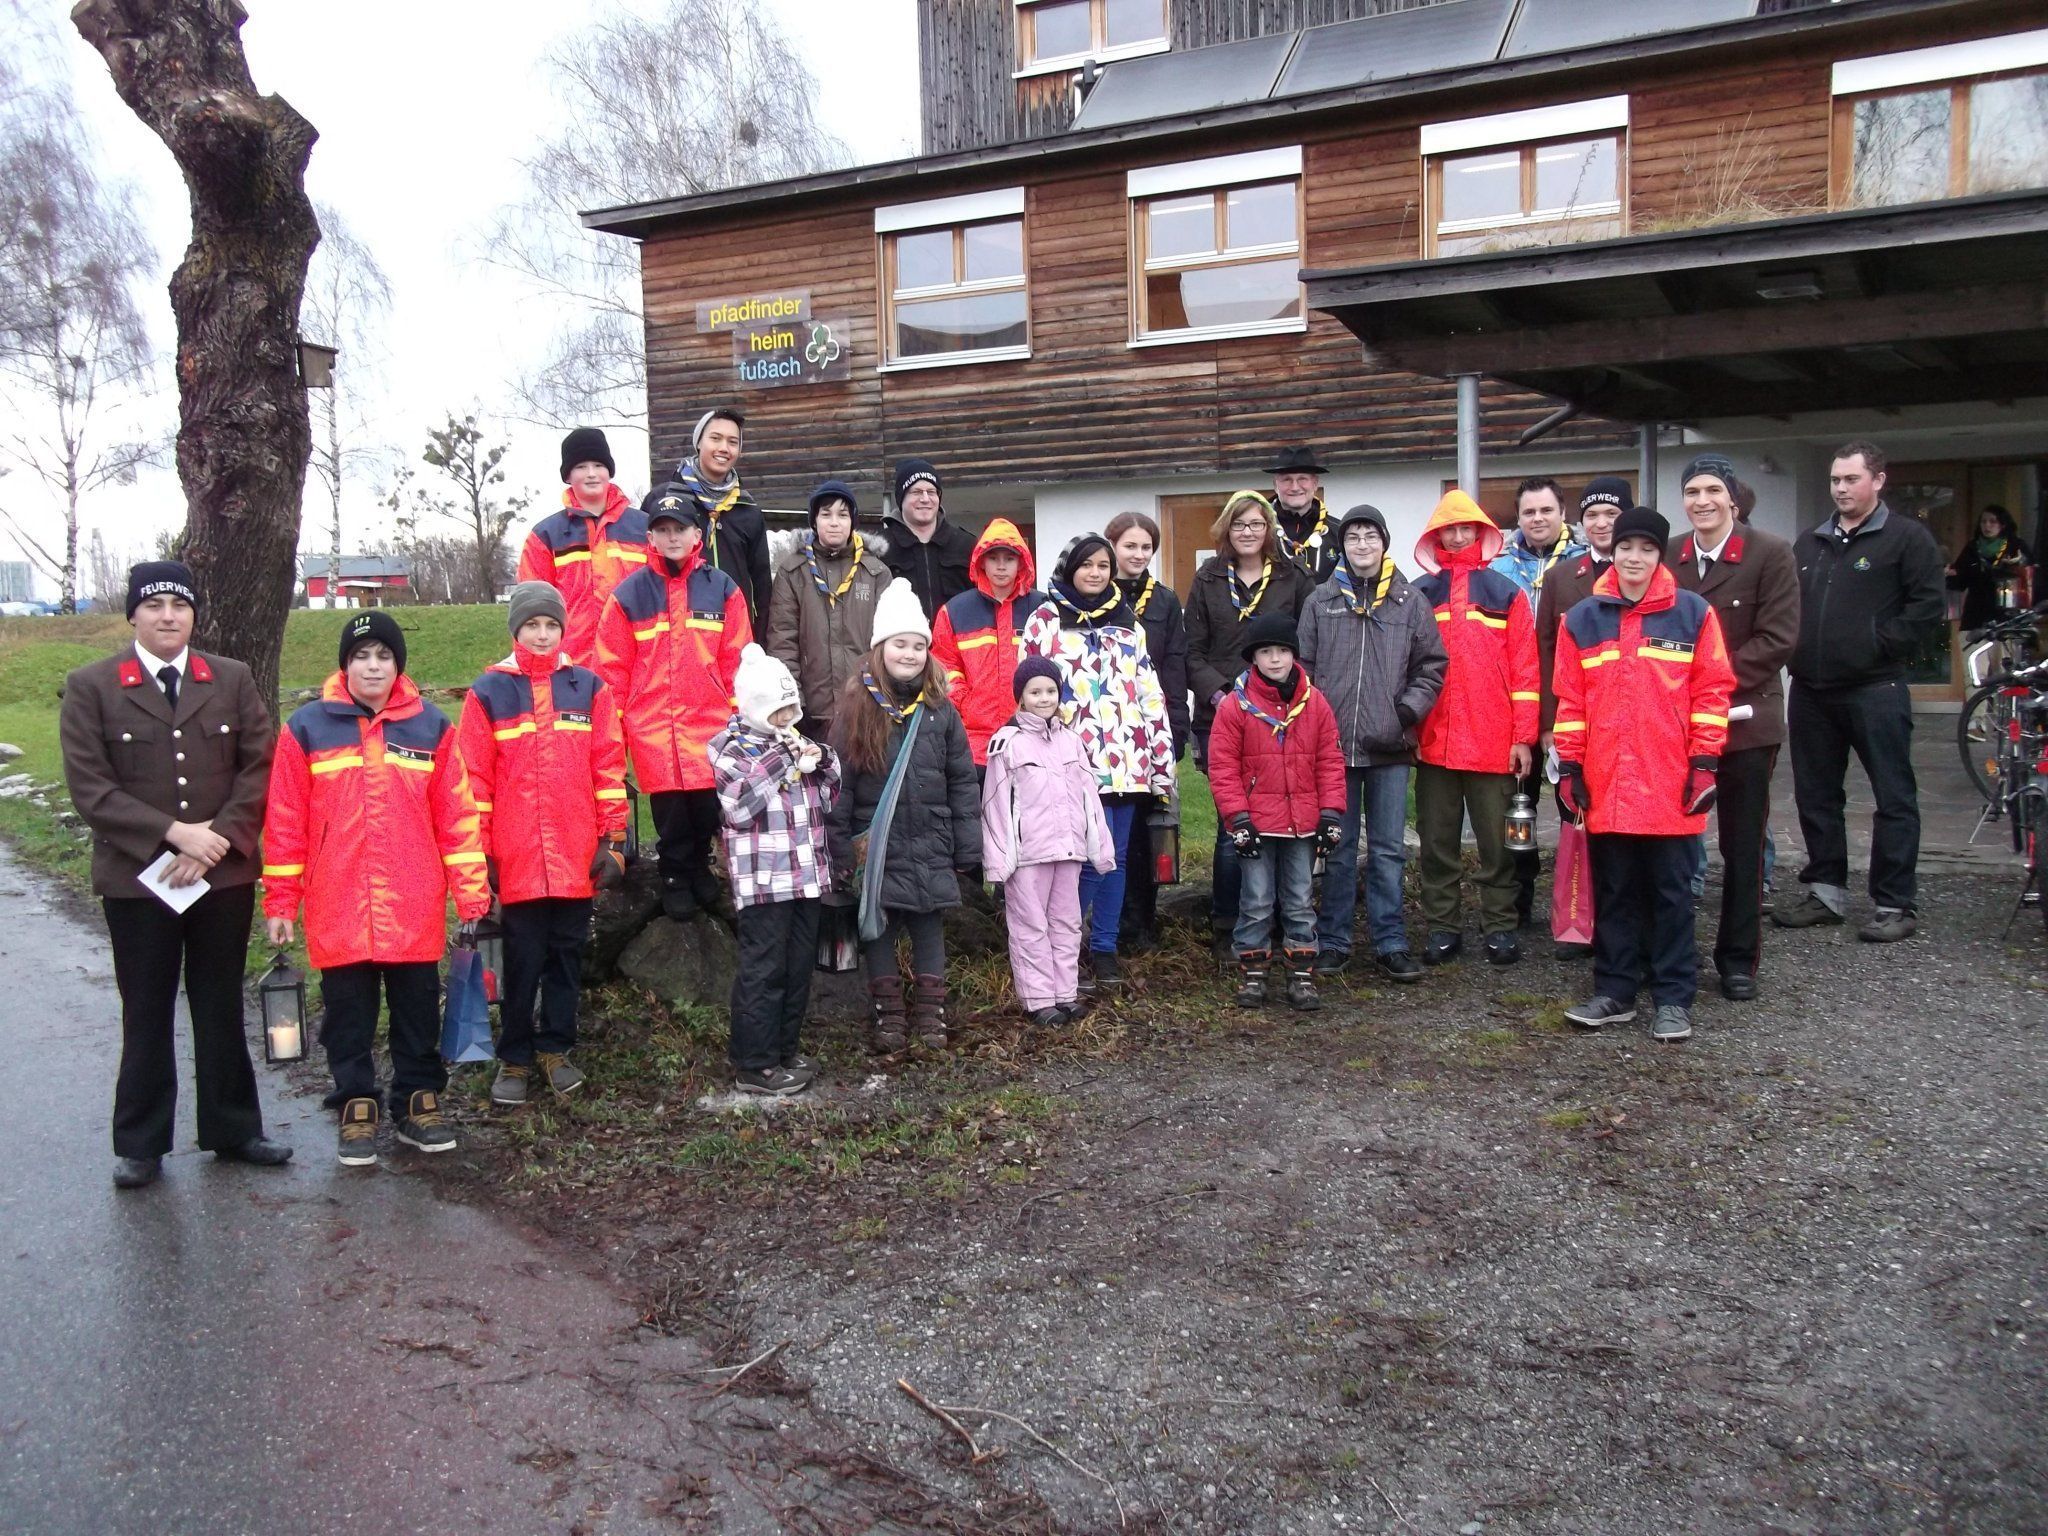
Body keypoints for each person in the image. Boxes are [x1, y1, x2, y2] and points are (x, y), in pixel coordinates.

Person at [59, 560, 291, 1189]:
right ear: (132, 614)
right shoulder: (93, 686)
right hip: (137, 880)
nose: (168, 617)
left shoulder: (232, 679)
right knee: (147, 1006)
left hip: (221, 874)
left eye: (180, 607)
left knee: (219, 1002)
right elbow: (91, 789)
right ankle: (140, 1143)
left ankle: (234, 1129)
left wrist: (212, 840)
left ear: (194, 615)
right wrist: (173, 834)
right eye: (155, 606)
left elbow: (258, 767)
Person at [262, 611, 492, 1163]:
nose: (372, 666)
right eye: (361, 655)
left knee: (417, 1007)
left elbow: (456, 816)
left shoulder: (432, 727)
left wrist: (471, 893)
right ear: (345, 665)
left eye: (383, 656)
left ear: (398, 665)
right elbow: (285, 819)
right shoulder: (306, 728)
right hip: (336, 900)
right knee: (348, 1013)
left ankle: (417, 1099)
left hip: (412, 898)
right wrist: (280, 902)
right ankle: (355, 1103)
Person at [1556, 508, 1735, 1043]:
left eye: (1647, 549)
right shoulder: (1582, 618)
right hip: (1607, 782)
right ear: (1613, 551)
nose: (1634, 558)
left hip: (1669, 782)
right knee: (1614, 891)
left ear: (1661, 555)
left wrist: (1705, 764)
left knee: (1672, 894)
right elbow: (1570, 700)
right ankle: (1615, 991)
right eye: (1626, 547)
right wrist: (1569, 767)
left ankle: (1673, 998)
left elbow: (1712, 692)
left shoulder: (1693, 614)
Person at [456, 583, 630, 1107]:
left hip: (577, 856)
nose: (541, 634)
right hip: (517, 858)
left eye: (550, 625)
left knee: (564, 957)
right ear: (515, 630)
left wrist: (614, 838)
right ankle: (514, 1055)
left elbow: (607, 766)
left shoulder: (590, 688)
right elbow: (474, 781)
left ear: (562, 629)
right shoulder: (487, 692)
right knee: (521, 959)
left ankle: (556, 1047)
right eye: (531, 625)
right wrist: (481, 852)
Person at [1777, 440, 1946, 943]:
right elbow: (1788, 606)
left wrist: (1878, 644)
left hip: (1875, 687)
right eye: (1835, 480)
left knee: (1893, 796)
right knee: (1816, 794)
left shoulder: (1907, 539)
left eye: (1851, 479)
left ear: (1878, 480)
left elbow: (1927, 607)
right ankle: (1827, 892)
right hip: (1811, 689)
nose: (1841, 488)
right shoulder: (1809, 542)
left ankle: (1894, 902)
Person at [828, 580, 982, 1057]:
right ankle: (888, 1014)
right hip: (878, 845)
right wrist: (837, 850)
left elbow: (961, 780)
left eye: (919, 645)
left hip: (931, 837)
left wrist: (967, 845)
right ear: (880, 648)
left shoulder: (941, 710)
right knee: (878, 927)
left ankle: (931, 1014)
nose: (910, 654)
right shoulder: (856, 708)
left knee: (929, 926)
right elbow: (840, 787)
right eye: (900, 644)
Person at [1020, 534, 1176, 994]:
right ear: (1070, 569)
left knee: (1116, 859)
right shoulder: (1045, 621)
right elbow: (1031, 695)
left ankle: (1104, 948)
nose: (1095, 573)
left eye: (1103, 566)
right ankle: (1065, 948)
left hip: (1127, 761)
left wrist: (1160, 760)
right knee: (1083, 860)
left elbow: (1150, 693)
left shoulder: (1128, 623)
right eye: (1086, 565)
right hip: (1071, 763)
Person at [1297, 504, 1446, 982]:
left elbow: (1431, 665)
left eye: (1370, 537)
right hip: (1334, 747)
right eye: (1353, 538)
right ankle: (1335, 941)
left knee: (1387, 849)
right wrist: (1317, 724)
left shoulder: (1409, 601)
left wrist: (1404, 714)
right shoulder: (1321, 600)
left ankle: (1390, 941)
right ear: (1342, 547)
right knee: (1338, 848)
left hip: (1389, 746)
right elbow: (1304, 669)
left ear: (1384, 543)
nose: (1362, 545)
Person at [1670, 455, 1800, 1001]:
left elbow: (1778, 639)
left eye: (1712, 491)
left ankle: (1737, 960)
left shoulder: (1770, 552)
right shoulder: (1669, 556)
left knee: (1742, 846)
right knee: (1674, 845)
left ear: (1733, 498)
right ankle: (1671, 952)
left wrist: (1708, 684)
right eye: (1692, 491)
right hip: (1676, 724)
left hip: (1745, 721)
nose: (1702, 501)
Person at [596, 493, 752, 923]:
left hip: (711, 725)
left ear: (696, 535)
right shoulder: (628, 595)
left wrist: (737, 715)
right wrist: (618, 728)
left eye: (679, 529)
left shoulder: (723, 588)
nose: (672, 537)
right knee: (669, 814)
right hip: (653, 729)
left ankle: (699, 866)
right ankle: (673, 876)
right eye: (663, 530)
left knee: (706, 807)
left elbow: (736, 657)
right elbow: (613, 668)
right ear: (650, 536)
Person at [1411, 490, 1539, 966]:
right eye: (1451, 528)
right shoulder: (1420, 593)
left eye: (1467, 527)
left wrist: (1523, 737)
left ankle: (1500, 925)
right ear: (1437, 534)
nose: (1460, 535)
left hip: (1493, 742)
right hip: (1434, 743)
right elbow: (1407, 669)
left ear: (1482, 531)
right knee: (1437, 843)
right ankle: (1443, 927)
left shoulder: (1506, 593)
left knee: (1498, 845)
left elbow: (1526, 672)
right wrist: (1410, 731)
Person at [1184, 490, 1316, 950]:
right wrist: (1220, 695)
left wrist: (1294, 693)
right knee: (1232, 824)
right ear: (1226, 528)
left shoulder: (1293, 577)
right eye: (1239, 524)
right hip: (1220, 710)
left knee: (1282, 818)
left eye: (1256, 524)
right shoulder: (1207, 578)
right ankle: (1228, 922)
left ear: (1268, 530)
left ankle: (1281, 921)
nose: (1247, 532)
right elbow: (1193, 649)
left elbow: (1309, 641)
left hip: (1283, 714)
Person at [710, 644, 842, 1096]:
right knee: (763, 969)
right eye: (779, 711)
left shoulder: (796, 742)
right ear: (757, 708)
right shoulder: (732, 750)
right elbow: (739, 807)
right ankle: (754, 1062)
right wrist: (784, 760)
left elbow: (829, 797)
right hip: (765, 884)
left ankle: (784, 1050)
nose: (788, 719)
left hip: (806, 877)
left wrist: (820, 761)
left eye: (792, 709)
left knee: (798, 966)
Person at [1210, 613, 1347, 1011]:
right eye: (1266, 652)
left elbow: (1330, 760)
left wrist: (1331, 813)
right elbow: (1223, 767)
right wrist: (1237, 819)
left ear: (1294, 655)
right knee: (1255, 899)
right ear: (1253, 658)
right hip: (1255, 820)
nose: (1275, 659)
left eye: (1282, 651)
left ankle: (1301, 975)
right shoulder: (1236, 707)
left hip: (1303, 823)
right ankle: (1253, 974)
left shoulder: (1315, 702)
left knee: (1300, 898)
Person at [982, 656, 1115, 1027]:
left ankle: (1065, 993)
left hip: (1067, 851)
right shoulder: (1007, 744)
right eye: (1035, 691)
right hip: (1027, 856)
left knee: (1067, 922)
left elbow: (1089, 797)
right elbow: (994, 804)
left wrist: (1100, 847)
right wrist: (998, 860)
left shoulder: (1072, 741)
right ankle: (1038, 998)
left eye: (1051, 690)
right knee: (1030, 926)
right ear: (1020, 697)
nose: (1044, 698)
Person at [1535, 477, 1633, 961]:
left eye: (1611, 516)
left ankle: (1627, 923)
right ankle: (1580, 918)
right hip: (1576, 723)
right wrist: (1549, 724)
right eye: (1592, 516)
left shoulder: (1646, 574)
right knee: (1576, 818)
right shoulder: (1561, 577)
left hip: (1632, 726)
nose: (1601, 525)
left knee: (1628, 827)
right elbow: (1545, 652)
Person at [1491, 476, 1588, 930]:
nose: (1537, 519)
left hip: (1572, 701)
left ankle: (1577, 902)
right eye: (1529, 512)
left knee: (1576, 805)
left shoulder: (1584, 564)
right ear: (1518, 517)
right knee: (1519, 807)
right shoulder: (1499, 567)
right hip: (1515, 702)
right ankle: (1519, 897)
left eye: (1546, 510)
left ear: (1562, 513)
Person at [1105, 511, 1190, 951]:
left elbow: (1175, 665)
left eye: (1145, 548)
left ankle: (1141, 925)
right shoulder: (1096, 593)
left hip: (1150, 732)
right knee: (1109, 836)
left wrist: (1175, 729)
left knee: (1148, 832)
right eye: (1129, 546)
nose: (1138, 555)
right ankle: (1106, 926)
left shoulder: (1165, 602)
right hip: (1106, 737)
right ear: (1113, 547)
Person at [765, 479, 891, 742]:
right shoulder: (792, 572)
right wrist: (792, 700)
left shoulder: (876, 572)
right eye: (826, 514)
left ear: (853, 522)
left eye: (843, 515)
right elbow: (783, 642)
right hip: (811, 712)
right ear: (814, 521)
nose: (834, 522)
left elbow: (888, 643)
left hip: (866, 707)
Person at [517, 427, 649, 667]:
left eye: (598, 465)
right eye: (580, 467)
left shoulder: (646, 529)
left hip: (638, 665)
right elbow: (529, 611)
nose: (591, 474)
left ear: (609, 471)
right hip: (571, 668)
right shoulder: (545, 536)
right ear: (568, 475)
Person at [931, 517, 1043, 768]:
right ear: (981, 561)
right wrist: (967, 703)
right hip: (975, 744)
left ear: (1022, 562)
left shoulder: (1043, 609)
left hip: (1033, 736)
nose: (1001, 566)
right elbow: (943, 665)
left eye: (1009, 558)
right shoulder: (955, 610)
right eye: (994, 558)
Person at [648, 407, 771, 626]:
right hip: (676, 632)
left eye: (733, 442)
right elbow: (643, 568)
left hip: (736, 633)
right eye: (715, 438)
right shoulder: (663, 499)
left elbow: (761, 585)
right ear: (699, 442)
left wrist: (760, 640)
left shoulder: (748, 509)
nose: (724, 448)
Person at [882, 458, 977, 618]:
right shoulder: (880, 548)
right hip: (902, 642)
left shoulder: (967, 545)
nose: (925, 498)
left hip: (957, 641)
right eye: (916, 492)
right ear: (901, 498)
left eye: (931, 492)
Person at [1947, 505, 2033, 631]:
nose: (1987, 526)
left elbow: (2030, 571)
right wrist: (1950, 574)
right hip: (1976, 613)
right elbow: (1960, 582)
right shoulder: (1972, 547)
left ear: (2002, 524)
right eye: (1983, 521)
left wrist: (2019, 564)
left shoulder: (2015, 545)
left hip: (2008, 612)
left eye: (1992, 521)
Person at [1268, 447, 1341, 583]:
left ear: (1315, 484)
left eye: (1302, 479)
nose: (1295, 487)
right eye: (1286, 479)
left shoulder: (1339, 532)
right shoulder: (1258, 530)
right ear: (1275, 485)